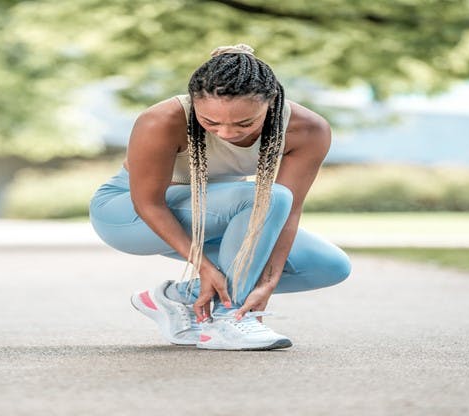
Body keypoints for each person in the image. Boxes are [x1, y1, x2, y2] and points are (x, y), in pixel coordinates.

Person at [88, 44, 351, 351]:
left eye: (244, 123)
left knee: (328, 265)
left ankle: (174, 299)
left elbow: (289, 213)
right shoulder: (162, 120)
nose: (226, 133)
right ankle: (228, 320)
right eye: (210, 123)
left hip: (219, 215)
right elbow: (148, 202)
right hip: (129, 215)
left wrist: (266, 282)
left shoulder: (307, 130)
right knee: (267, 196)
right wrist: (203, 266)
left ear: (272, 102)